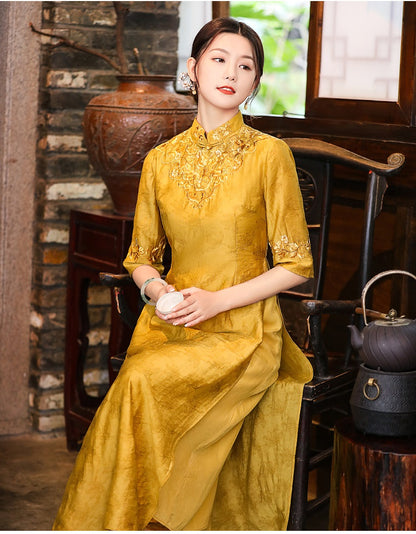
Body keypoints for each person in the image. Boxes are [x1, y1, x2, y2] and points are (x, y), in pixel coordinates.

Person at [53, 17, 313, 531]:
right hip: (173, 323)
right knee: (136, 389)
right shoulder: (159, 161)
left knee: (144, 381)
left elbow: (296, 265)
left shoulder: (270, 155)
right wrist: (156, 289)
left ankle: (162, 522)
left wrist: (217, 302)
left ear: (255, 83)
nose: (232, 73)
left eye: (246, 66)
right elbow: (140, 255)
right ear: (192, 70)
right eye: (219, 59)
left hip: (245, 331)